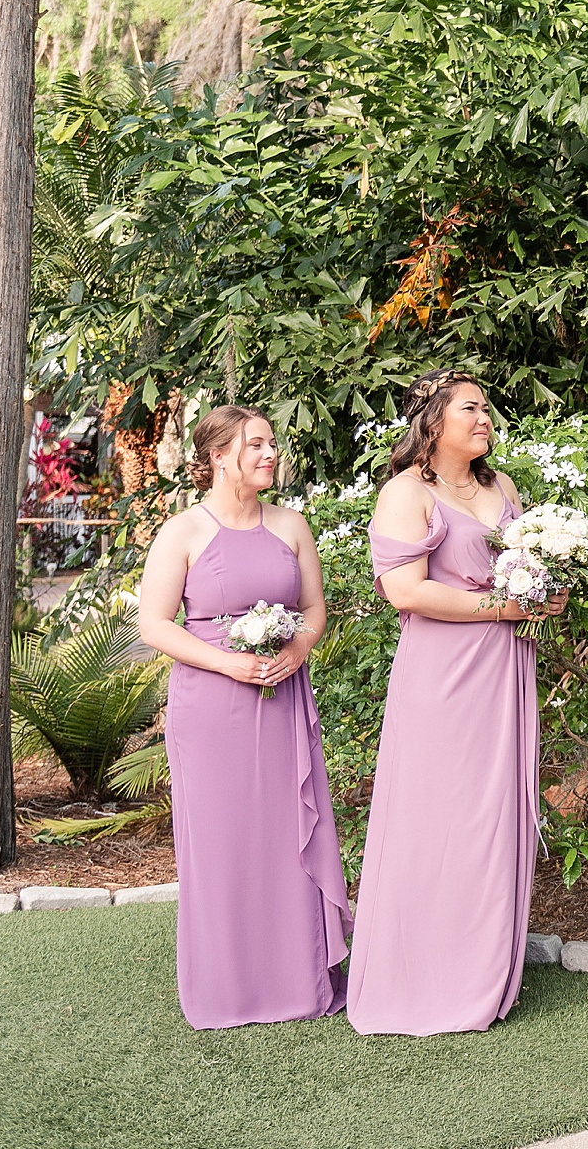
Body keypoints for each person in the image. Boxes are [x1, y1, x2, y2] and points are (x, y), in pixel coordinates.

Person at [348, 370, 563, 1036]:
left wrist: (547, 594)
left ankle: (481, 974)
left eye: (487, 408)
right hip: (441, 676)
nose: (485, 418)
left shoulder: (503, 490)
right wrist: (503, 606)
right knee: (434, 815)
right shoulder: (405, 492)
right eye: (471, 408)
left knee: (492, 814)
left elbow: (526, 569)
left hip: (505, 666)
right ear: (434, 420)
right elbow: (406, 592)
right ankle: (416, 978)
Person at [136, 405, 352, 1030]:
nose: (269, 452)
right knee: (222, 843)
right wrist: (227, 665)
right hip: (211, 710)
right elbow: (153, 624)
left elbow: (313, 609)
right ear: (219, 455)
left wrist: (296, 648)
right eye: (255, 444)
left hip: (283, 698)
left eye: (271, 443)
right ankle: (227, 991)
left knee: (288, 836)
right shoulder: (181, 533)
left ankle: (299, 981)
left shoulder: (292, 526)